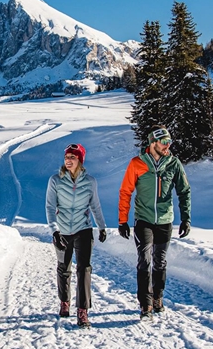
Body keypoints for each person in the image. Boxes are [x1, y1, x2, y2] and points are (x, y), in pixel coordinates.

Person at [118, 125, 191, 321]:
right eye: (164, 142)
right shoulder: (137, 164)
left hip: (165, 220)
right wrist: (122, 221)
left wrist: (186, 218)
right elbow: (125, 191)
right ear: (153, 143)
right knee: (145, 259)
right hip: (143, 220)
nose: (168, 146)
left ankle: (158, 297)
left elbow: (184, 191)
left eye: (170, 142)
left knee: (160, 261)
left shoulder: (173, 164)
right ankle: (146, 303)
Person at [46, 143, 107, 328]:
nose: (68, 160)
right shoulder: (55, 180)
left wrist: (102, 227)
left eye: (72, 157)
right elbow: (49, 206)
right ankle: (65, 301)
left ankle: (83, 311)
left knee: (84, 269)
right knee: (64, 268)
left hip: (83, 229)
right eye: (66, 157)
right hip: (62, 230)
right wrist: (54, 230)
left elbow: (95, 205)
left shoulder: (90, 182)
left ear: (80, 160)